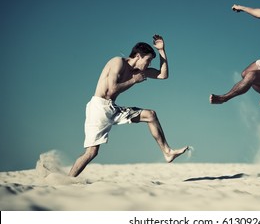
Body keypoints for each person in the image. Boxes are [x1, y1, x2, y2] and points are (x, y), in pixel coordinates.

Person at [69, 35, 189, 177]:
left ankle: (167, 152)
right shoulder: (118, 62)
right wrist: (134, 80)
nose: (149, 64)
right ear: (138, 56)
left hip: (113, 108)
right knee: (92, 152)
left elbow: (163, 75)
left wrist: (162, 51)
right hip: (99, 108)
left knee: (150, 115)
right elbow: (112, 88)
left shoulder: (139, 72)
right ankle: (67, 180)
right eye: (148, 60)